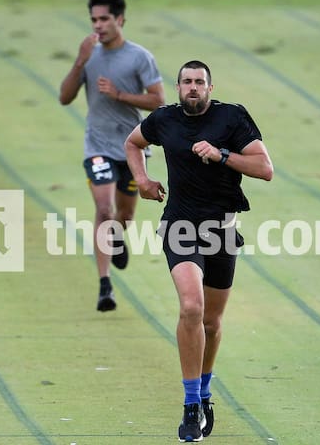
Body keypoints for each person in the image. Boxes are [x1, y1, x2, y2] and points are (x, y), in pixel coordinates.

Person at [125, 60, 273, 442]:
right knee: (192, 307)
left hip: (221, 229)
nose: (193, 87)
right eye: (187, 82)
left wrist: (222, 154)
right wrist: (141, 179)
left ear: (210, 87)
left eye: (199, 82)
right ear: (177, 87)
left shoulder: (232, 118)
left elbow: (264, 168)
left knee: (211, 323)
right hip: (180, 225)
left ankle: (205, 395)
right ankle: (191, 405)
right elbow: (133, 142)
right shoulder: (164, 120)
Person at [59, 0, 164, 312]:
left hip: (132, 146)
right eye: (93, 19)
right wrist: (80, 61)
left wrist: (119, 94)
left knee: (125, 214)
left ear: (120, 19)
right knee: (103, 210)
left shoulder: (139, 57)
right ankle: (105, 285)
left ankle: (117, 237)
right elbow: (64, 98)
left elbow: (158, 100)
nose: (98, 25)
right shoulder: (88, 54)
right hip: (98, 146)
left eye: (104, 18)